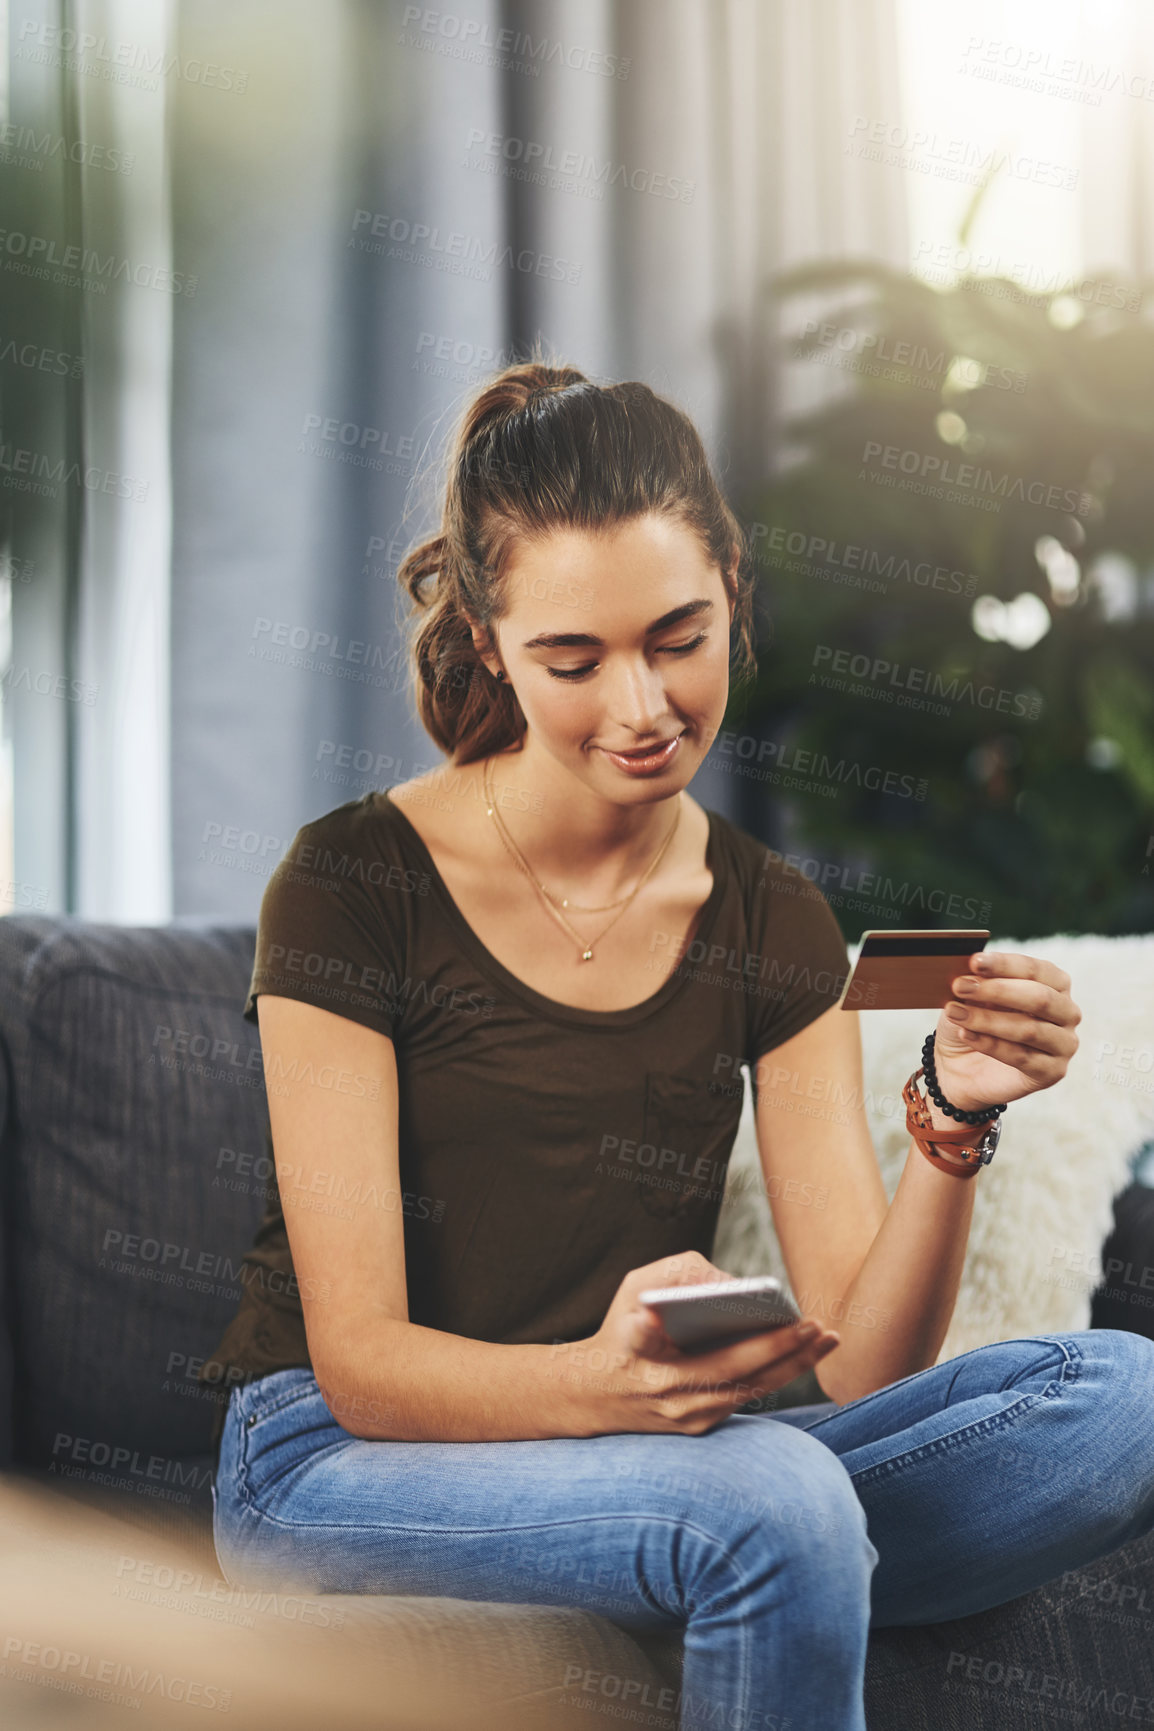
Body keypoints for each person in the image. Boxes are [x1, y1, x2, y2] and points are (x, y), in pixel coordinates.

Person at [202, 357, 1154, 1731]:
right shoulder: (352, 882)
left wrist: (951, 1119)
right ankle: (722, 1552)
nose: (643, 710)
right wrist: (604, 1388)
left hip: (643, 1450)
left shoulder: (772, 917)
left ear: (731, 593)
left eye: (677, 637)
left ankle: (686, 1558)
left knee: (1119, 1397)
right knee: (774, 1500)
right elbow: (361, 1359)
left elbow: (862, 1368)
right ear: (484, 639)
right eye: (572, 661)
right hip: (334, 1458)